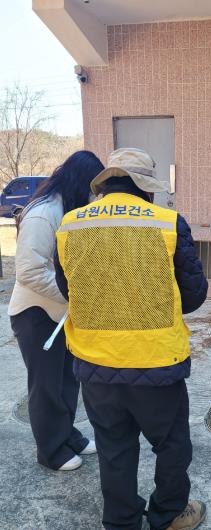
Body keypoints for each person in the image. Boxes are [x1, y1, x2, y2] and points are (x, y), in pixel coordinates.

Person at [54, 148, 208, 530]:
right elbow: (194, 295)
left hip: (96, 364)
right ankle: (166, 520)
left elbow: (68, 289)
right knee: (171, 445)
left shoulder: (70, 225)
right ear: (147, 188)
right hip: (157, 364)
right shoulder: (167, 223)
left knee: (114, 448)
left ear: (106, 182)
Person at [8, 150, 104, 471]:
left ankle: (67, 436)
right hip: (35, 314)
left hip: (61, 313)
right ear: (79, 182)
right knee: (45, 386)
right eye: (92, 189)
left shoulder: (68, 211)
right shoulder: (44, 213)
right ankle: (50, 451)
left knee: (68, 381)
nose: (94, 197)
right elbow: (29, 271)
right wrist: (74, 295)